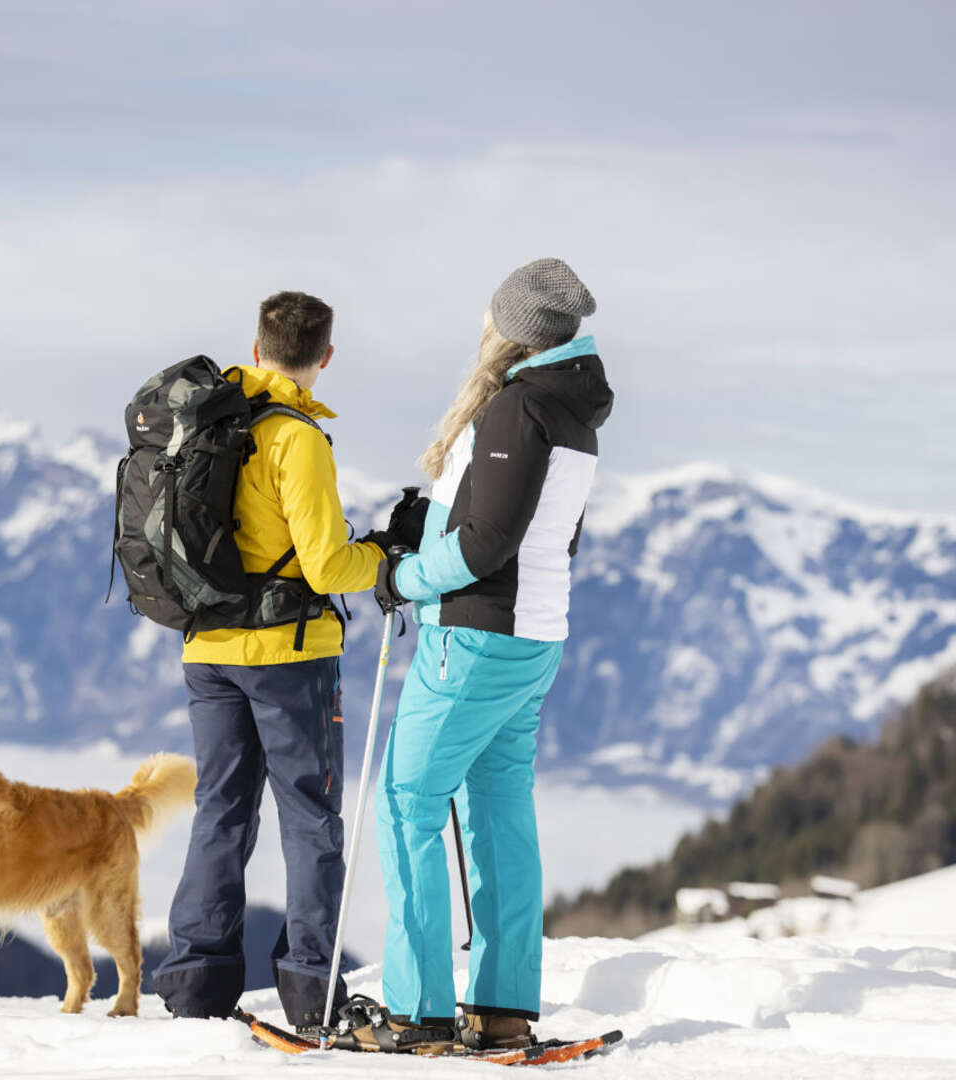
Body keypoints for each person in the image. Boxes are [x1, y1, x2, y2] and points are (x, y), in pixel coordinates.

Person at [153, 290, 425, 1030]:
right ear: (325, 356)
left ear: (256, 344)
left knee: (221, 811)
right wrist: (387, 551)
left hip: (207, 649)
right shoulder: (294, 436)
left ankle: (195, 987)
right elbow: (328, 565)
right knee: (309, 817)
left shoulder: (211, 417)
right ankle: (310, 989)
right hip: (287, 658)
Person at [365, 258, 613, 1051]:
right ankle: (501, 1004)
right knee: (498, 811)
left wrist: (402, 575)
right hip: (534, 637)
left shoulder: (517, 410)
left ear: (509, 329)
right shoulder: (573, 414)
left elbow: (486, 544)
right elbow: (549, 535)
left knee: (406, 804)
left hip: (473, 638)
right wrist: (431, 528)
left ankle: (419, 1011)